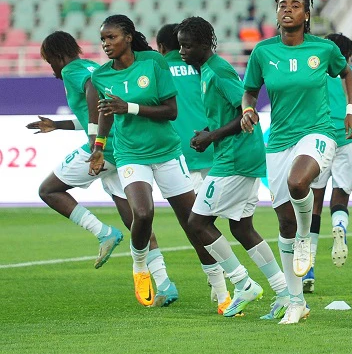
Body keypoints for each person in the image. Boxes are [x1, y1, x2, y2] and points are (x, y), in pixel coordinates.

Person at [88, 15, 225, 311]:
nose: (106, 44)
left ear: (127, 37)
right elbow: (106, 112)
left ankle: (218, 282)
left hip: (166, 152)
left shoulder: (153, 62)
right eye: (103, 39)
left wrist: (131, 107)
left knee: (193, 222)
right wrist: (99, 146)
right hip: (130, 154)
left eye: (111, 37)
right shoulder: (101, 75)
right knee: (142, 211)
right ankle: (140, 265)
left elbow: (171, 111)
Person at [241, 0, 352, 324]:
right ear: (276, 13)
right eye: (282, 6)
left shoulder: (324, 49)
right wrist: (248, 108)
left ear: (307, 14)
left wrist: (350, 110)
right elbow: (249, 89)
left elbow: (346, 73)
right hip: (278, 140)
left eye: (295, 6)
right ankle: (295, 301)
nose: (288, 10)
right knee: (284, 222)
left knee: (298, 182)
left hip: (318, 132)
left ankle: (307, 235)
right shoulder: (263, 52)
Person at [176, 16, 291, 321]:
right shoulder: (205, 71)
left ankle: (242, 283)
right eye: (180, 46)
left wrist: (211, 136)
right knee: (241, 227)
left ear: (205, 44)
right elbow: (226, 112)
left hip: (235, 159)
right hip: (242, 157)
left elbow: (244, 109)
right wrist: (208, 131)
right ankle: (285, 293)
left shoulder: (218, 70)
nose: (183, 51)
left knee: (198, 223)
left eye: (188, 46)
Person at [26, 31, 125, 269]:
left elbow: (92, 89)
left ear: (57, 56)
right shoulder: (90, 65)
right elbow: (94, 109)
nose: (52, 70)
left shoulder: (71, 71)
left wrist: (94, 139)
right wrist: (57, 125)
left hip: (105, 147)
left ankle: (103, 232)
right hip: (121, 145)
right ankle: (162, 280)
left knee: (48, 190)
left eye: (50, 63)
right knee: (134, 217)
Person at [304, 32, 352, 293]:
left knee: (314, 202)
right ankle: (339, 226)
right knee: (340, 196)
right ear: (350, 56)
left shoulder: (320, 73)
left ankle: (308, 265)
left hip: (323, 135)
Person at [156, 24, 214, 194]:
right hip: (213, 144)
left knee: (195, 218)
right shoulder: (205, 66)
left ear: (161, 47)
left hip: (180, 152)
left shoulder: (157, 69)